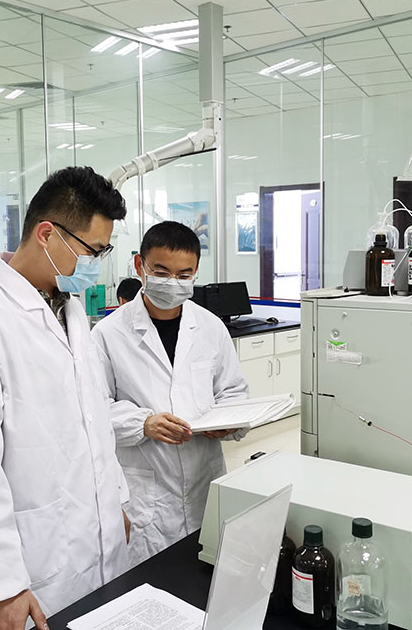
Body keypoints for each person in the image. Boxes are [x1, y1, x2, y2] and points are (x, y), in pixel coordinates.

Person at [0, 166, 131, 630]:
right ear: (47, 234)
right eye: (93, 251)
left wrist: (114, 500)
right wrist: (1, 587)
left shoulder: (70, 311)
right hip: (31, 567)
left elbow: (93, 421)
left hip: (96, 542)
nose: (97, 264)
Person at [92, 221, 249, 567]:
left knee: (204, 574)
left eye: (184, 275)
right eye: (162, 272)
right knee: (149, 581)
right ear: (140, 266)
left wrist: (229, 421)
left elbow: (234, 391)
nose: (172, 283)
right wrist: (143, 423)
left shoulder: (210, 327)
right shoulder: (108, 334)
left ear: (196, 272)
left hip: (205, 478)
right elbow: (92, 410)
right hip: (146, 491)